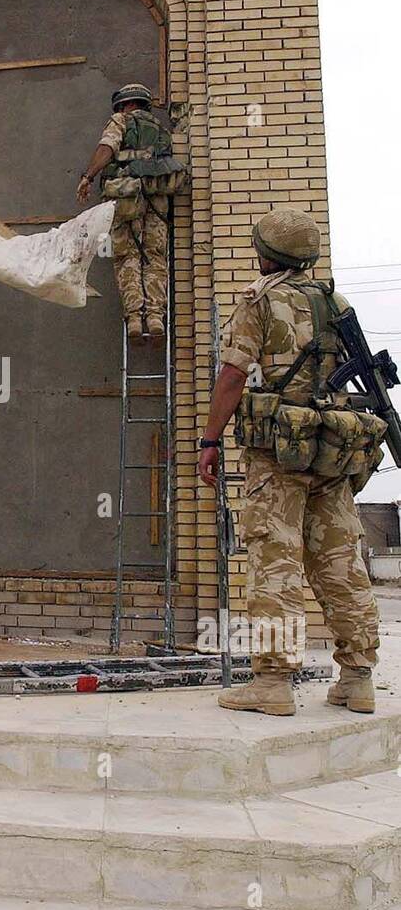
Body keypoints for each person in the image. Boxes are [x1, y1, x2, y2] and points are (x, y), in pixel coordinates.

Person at [198, 208, 381, 716]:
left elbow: (233, 376)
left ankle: (273, 684)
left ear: (266, 253)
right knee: (341, 563)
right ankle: (358, 679)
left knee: (275, 562)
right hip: (330, 452)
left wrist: (209, 440)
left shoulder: (261, 301)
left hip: (279, 457)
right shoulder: (333, 301)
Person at [77, 82, 185, 341]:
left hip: (126, 197)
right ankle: (156, 315)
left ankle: (135, 318)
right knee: (155, 257)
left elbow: (108, 148)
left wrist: (88, 177)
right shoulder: (161, 130)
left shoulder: (120, 120)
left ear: (125, 104)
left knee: (127, 257)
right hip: (158, 203)